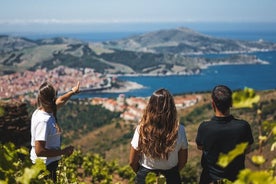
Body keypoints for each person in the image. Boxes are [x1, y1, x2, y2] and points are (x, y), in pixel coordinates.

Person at [196, 85, 254, 183]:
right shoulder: (243, 126)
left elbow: (200, 147)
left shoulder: (204, 127)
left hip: (210, 180)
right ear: (231, 103)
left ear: (212, 104)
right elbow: (247, 150)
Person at [129, 88, 188, 184]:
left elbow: (132, 162)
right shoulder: (179, 130)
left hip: (146, 176)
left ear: (150, 106)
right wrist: (171, 174)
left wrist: (141, 174)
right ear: (171, 107)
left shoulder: (142, 129)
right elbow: (183, 161)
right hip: (171, 177)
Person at [30, 81, 80, 182]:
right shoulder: (43, 121)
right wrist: (63, 152)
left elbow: (61, 100)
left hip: (46, 164)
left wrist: (72, 91)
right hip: (44, 167)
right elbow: (39, 151)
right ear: (53, 98)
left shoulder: (42, 110)